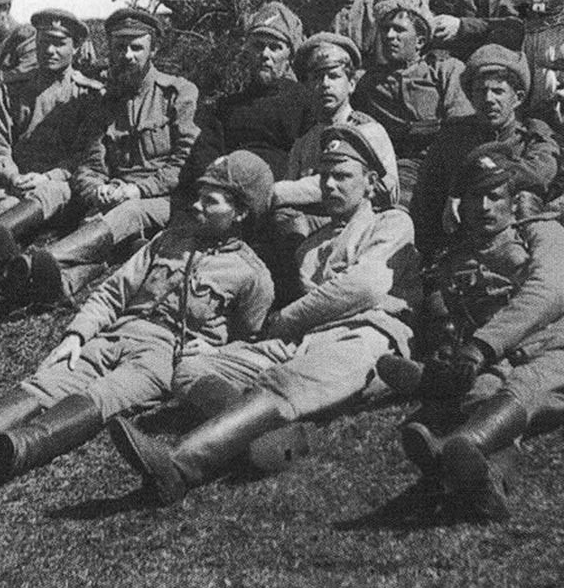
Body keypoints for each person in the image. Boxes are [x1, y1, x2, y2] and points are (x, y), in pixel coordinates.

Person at [0, 151, 275, 489]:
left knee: (102, 398)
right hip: (115, 335)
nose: (197, 206)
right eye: (200, 197)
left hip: (161, 359)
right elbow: (112, 292)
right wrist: (76, 335)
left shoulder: (252, 274)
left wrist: (213, 348)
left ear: (240, 212)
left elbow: (249, 338)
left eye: (213, 202)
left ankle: (15, 453)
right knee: (47, 383)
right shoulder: (168, 240)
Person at [108, 125, 419, 505]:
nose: (330, 185)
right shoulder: (311, 245)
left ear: (370, 183)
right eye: (324, 176)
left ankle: (180, 465)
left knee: (286, 379)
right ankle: (267, 437)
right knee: (191, 367)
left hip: (367, 334)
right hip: (302, 340)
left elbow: (364, 287)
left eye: (342, 176)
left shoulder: (393, 223)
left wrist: (286, 319)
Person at [376, 143, 564, 521]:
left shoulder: (542, 232)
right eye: (474, 198)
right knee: (482, 395)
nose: (484, 207)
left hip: (558, 344)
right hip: (497, 360)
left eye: (494, 196)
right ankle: (485, 482)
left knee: (523, 387)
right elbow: (452, 317)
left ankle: (453, 446)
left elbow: (551, 290)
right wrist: (447, 348)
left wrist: (481, 346)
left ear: (512, 199)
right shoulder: (455, 260)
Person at [7, 8, 200, 310]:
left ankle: (45, 259)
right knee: (100, 222)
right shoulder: (103, 103)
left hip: (166, 199)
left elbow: (184, 163)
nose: (127, 55)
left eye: (137, 47)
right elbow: (89, 163)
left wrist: (135, 191)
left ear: (154, 49)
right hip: (115, 198)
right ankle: (60, 284)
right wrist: (97, 189)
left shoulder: (178, 94)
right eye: (120, 47)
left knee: (128, 213)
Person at [0, 9, 102, 282]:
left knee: (50, 193)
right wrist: (13, 175)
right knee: (6, 206)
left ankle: (0, 248)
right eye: (43, 42)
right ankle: (6, 262)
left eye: (59, 43)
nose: (49, 50)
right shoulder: (11, 89)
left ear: (75, 47)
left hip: (63, 185)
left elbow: (87, 154)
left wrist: (49, 176)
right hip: (16, 181)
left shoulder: (88, 95)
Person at [269, 33, 399, 304]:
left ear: (351, 83)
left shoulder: (368, 131)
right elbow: (285, 206)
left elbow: (388, 193)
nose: (324, 85)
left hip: (359, 235)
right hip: (309, 241)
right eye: (316, 78)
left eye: (333, 76)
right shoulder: (305, 142)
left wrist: (276, 192)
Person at [413, 44, 559, 259]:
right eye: (481, 91)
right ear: (471, 98)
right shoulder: (452, 137)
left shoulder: (532, 136)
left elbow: (540, 174)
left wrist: (460, 186)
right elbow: (426, 198)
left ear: (517, 98)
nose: (489, 99)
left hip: (518, 245)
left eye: (498, 91)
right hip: (460, 248)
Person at [352, 0, 473, 206]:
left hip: (447, 162)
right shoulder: (369, 84)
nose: (390, 36)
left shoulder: (446, 69)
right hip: (396, 167)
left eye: (399, 30)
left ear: (420, 41)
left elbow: (460, 124)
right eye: (385, 29)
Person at [187, 2, 316, 182]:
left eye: (275, 47)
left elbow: (308, 162)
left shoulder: (305, 104)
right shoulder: (226, 108)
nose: (265, 54)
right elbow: (204, 157)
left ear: (289, 57)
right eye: (258, 46)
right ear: (247, 51)